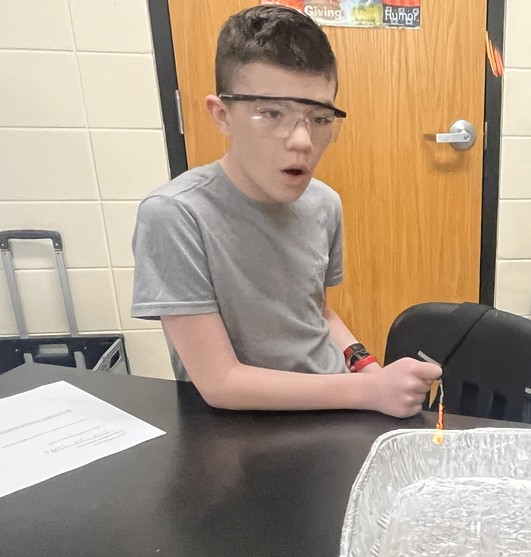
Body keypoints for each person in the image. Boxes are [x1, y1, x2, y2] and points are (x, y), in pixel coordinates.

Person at [131, 5, 439, 416]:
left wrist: (366, 369)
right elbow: (221, 383)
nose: (301, 140)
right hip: (241, 428)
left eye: (319, 117)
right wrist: (367, 393)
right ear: (222, 115)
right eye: (272, 113)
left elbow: (318, 313)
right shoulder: (175, 215)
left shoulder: (323, 203)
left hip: (336, 404)